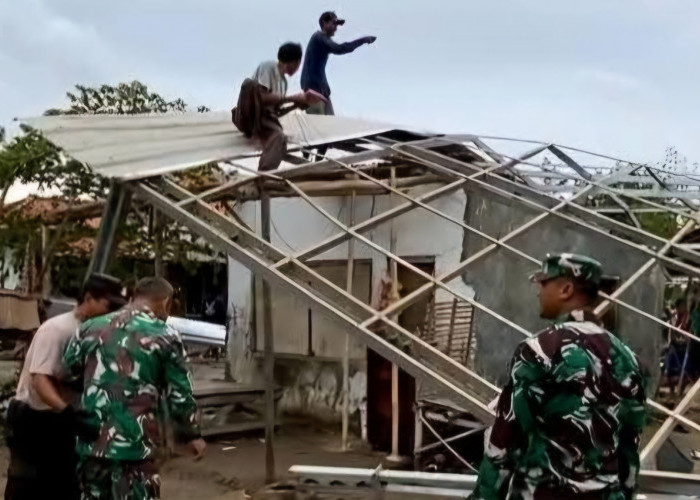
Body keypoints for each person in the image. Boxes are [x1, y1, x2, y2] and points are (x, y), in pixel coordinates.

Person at [471, 253, 647, 499]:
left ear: (566, 289)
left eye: (543, 283)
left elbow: (504, 443)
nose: (537, 292)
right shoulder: (629, 359)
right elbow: (629, 448)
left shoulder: (540, 350)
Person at [63, 277, 206, 500]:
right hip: (136, 447)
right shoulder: (166, 336)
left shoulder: (90, 327)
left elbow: (68, 370)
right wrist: (191, 434)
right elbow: (179, 393)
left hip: (92, 443)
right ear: (166, 303)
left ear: (132, 298)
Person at [5, 274, 127, 500]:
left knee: (65, 485)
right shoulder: (58, 330)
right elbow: (40, 380)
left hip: (62, 419)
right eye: (109, 305)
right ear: (89, 299)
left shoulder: (96, 332)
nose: (113, 312)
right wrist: (68, 412)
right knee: (28, 486)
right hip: (34, 418)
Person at [232, 42, 322, 172]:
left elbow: (275, 113)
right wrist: (293, 98)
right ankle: (264, 174)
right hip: (247, 114)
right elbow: (260, 97)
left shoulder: (283, 83)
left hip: (262, 122)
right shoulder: (268, 67)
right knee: (250, 84)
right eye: (298, 64)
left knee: (279, 137)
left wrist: (295, 105)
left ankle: (265, 174)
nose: (297, 68)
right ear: (294, 62)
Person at [300, 11, 377, 116]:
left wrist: (325, 88)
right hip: (313, 91)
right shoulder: (319, 37)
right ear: (324, 22)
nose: (336, 28)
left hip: (322, 91)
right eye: (333, 23)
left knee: (331, 125)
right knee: (319, 127)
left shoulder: (322, 39)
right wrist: (363, 40)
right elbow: (340, 48)